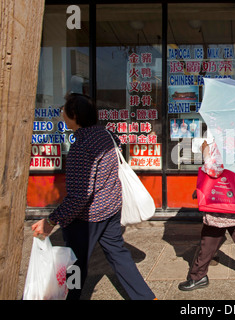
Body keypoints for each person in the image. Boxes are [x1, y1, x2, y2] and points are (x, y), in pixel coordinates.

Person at [31, 93, 156, 300]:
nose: (62, 114)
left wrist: (52, 220)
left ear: (74, 115)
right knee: (118, 255)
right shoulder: (104, 134)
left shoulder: (81, 147)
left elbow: (80, 196)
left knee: (75, 265)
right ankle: (146, 297)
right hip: (111, 208)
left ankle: (71, 297)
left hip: (87, 217)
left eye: (64, 111)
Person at [178, 140, 235, 291]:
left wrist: (205, 150)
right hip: (231, 197)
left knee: (210, 237)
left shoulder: (223, 144)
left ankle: (198, 276)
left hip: (220, 200)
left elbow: (213, 169)